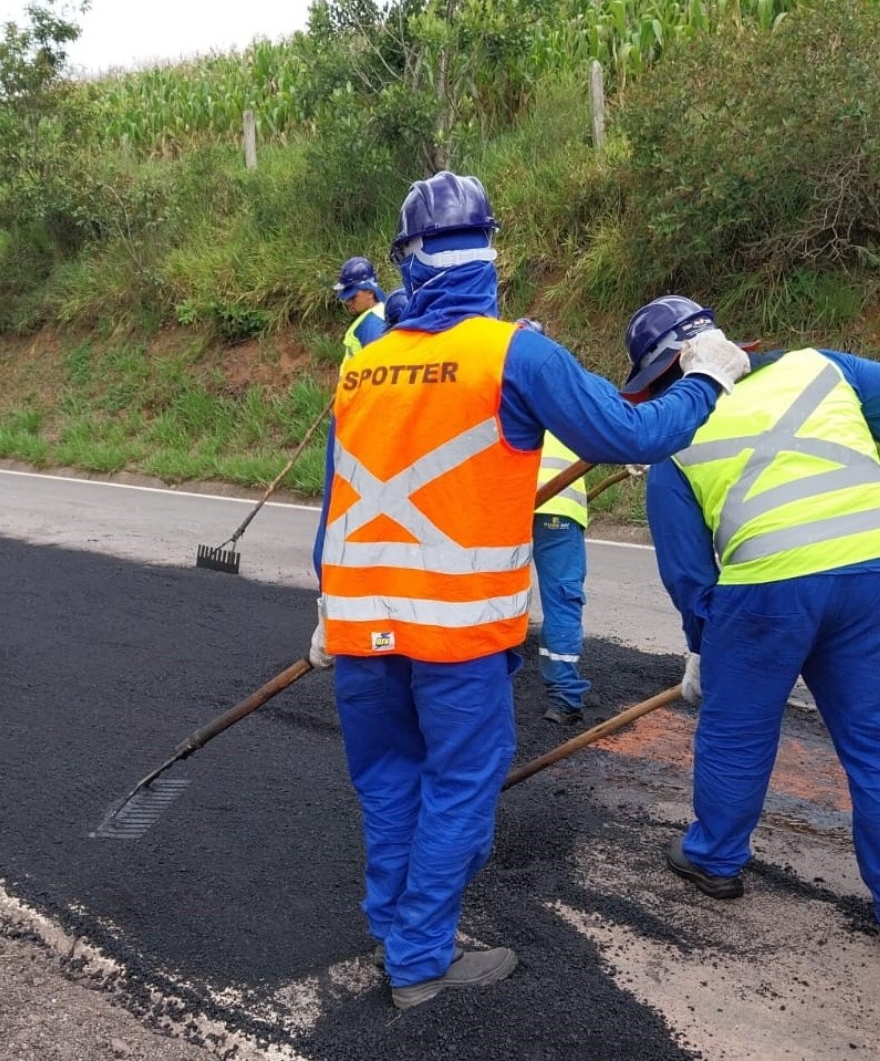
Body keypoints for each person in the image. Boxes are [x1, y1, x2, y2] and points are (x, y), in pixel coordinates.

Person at [305, 172, 750, 1009]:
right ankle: (419, 959)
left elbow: (337, 498)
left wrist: (324, 603)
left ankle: (394, 926)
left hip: (363, 629)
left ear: (407, 260)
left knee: (391, 781)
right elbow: (633, 432)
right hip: (458, 635)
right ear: (490, 255)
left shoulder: (363, 368)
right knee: (460, 787)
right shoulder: (514, 352)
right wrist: (706, 379)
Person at [626, 295, 880, 962]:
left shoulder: (673, 444)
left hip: (768, 586)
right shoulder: (818, 367)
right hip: (878, 570)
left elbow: (691, 576)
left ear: (662, 380)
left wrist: (701, 646)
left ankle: (715, 859)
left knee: (737, 728)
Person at [514, 322, 594, 726]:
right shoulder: (564, 381)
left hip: (507, 505)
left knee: (500, 592)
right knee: (562, 598)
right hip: (558, 510)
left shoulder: (501, 378)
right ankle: (564, 698)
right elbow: (604, 426)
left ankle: (492, 678)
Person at [333, 256, 389, 361]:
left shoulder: (371, 325)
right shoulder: (381, 311)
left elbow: (376, 366)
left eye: (353, 297)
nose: (348, 302)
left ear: (370, 293)